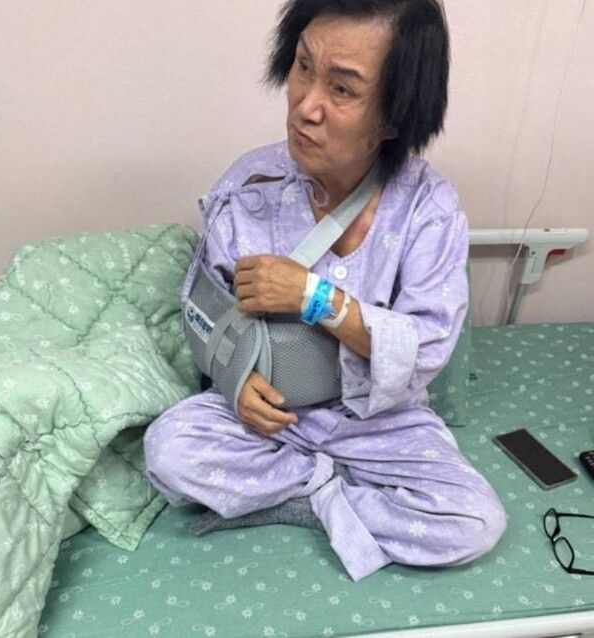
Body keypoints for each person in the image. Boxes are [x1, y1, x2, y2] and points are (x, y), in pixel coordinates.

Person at [144, 0, 507, 581]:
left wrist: (315, 298)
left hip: (380, 422)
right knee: (168, 452)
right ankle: (330, 493)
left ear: (394, 117)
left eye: (342, 90)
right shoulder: (248, 185)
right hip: (272, 417)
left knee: (473, 522)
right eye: (303, 67)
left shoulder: (428, 210)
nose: (305, 106)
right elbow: (206, 313)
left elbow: (427, 348)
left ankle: (301, 496)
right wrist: (235, 384)